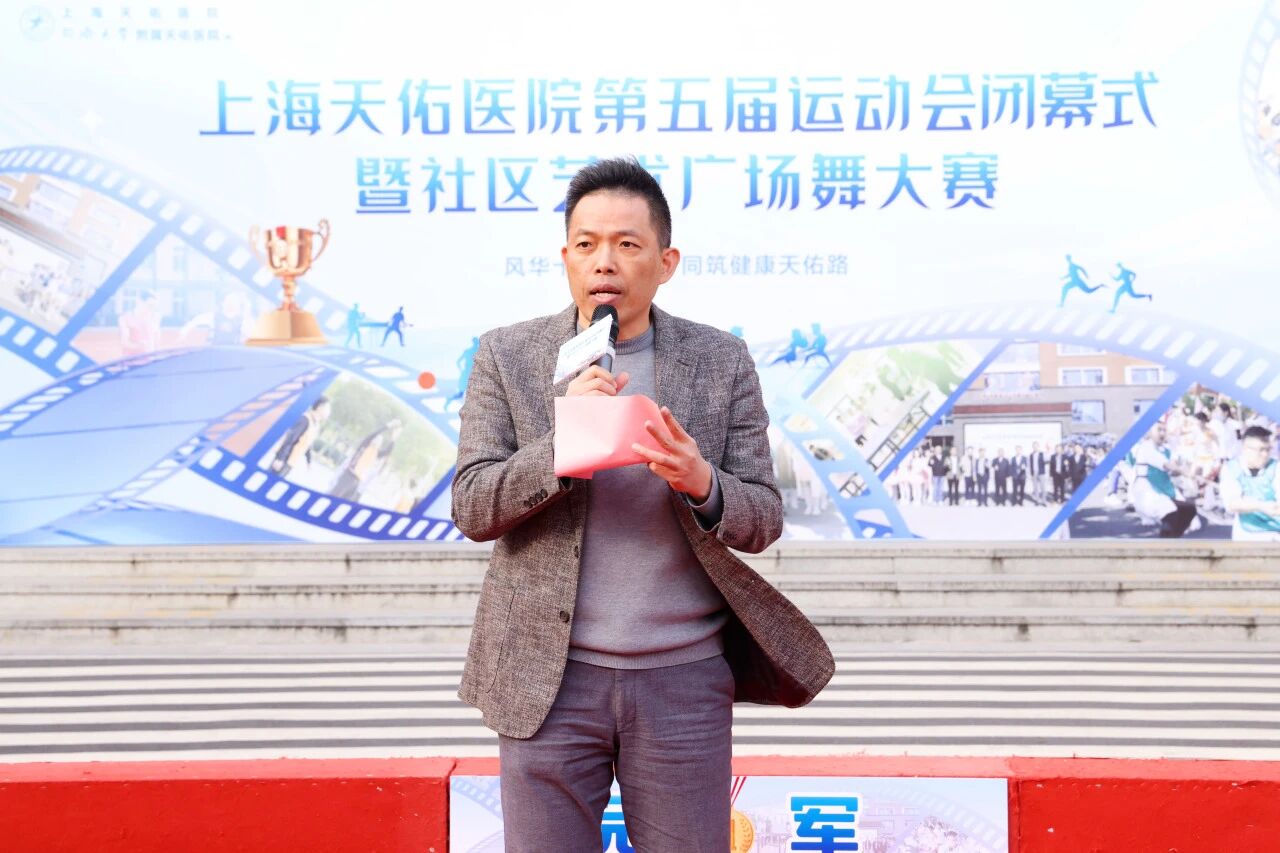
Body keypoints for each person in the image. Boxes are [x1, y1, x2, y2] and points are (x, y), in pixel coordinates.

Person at [450, 158, 833, 852]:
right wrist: (561, 444)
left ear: (666, 261)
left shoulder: (720, 360)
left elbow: (763, 516)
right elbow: (473, 505)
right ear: (566, 257)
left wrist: (703, 482)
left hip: (682, 679)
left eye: (627, 244)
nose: (605, 261)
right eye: (587, 244)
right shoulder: (508, 355)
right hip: (545, 676)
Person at [1130, 422, 1198, 537]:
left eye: (1164, 430)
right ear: (1150, 432)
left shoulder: (1164, 450)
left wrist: (1189, 474)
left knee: (1189, 509)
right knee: (1170, 513)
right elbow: (1167, 465)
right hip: (1146, 492)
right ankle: (1166, 542)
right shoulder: (1146, 448)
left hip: (1161, 490)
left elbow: (1172, 470)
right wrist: (1186, 473)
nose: (1162, 433)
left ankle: (1173, 538)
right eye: (1159, 430)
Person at [1219, 425, 1280, 541]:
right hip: (1246, 533)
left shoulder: (1276, 467)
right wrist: (1261, 506)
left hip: (1276, 532)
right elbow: (1232, 504)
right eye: (1260, 450)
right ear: (1245, 449)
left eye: (1268, 449)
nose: (1265, 454)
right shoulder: (1231, 468)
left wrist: (1248, 503)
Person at [332, 419, 403, 501]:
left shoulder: (376, 454)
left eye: (380, 440)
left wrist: (393, 439)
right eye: (377, 438)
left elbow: (387, 451)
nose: (378, 440)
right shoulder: (364, 445)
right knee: (334, 496)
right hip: (348, 475)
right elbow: (374, 434)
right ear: (372, 440)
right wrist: (388, 426)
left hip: (357, 481)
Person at [269, 396, 331, 478]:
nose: (329, 412)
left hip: (290, 462)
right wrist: (280, 459)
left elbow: (307, 444)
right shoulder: (305, 420)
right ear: (319, 407)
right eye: (327, 408)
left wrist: (309, 461)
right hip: (284, 460)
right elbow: (290, 439)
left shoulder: (315, 424)